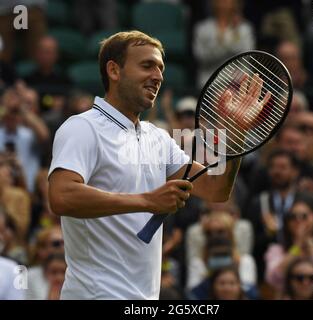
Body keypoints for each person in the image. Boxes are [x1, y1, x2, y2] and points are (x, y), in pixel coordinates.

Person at [48, 30, 268, 299]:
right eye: (147, 65)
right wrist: (147, 201)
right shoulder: (82, 127)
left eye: (161, 68)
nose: (158, 76)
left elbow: (215, 190)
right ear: (114, 70)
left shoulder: (157, 137)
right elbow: (61, 196)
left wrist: (236, 135)